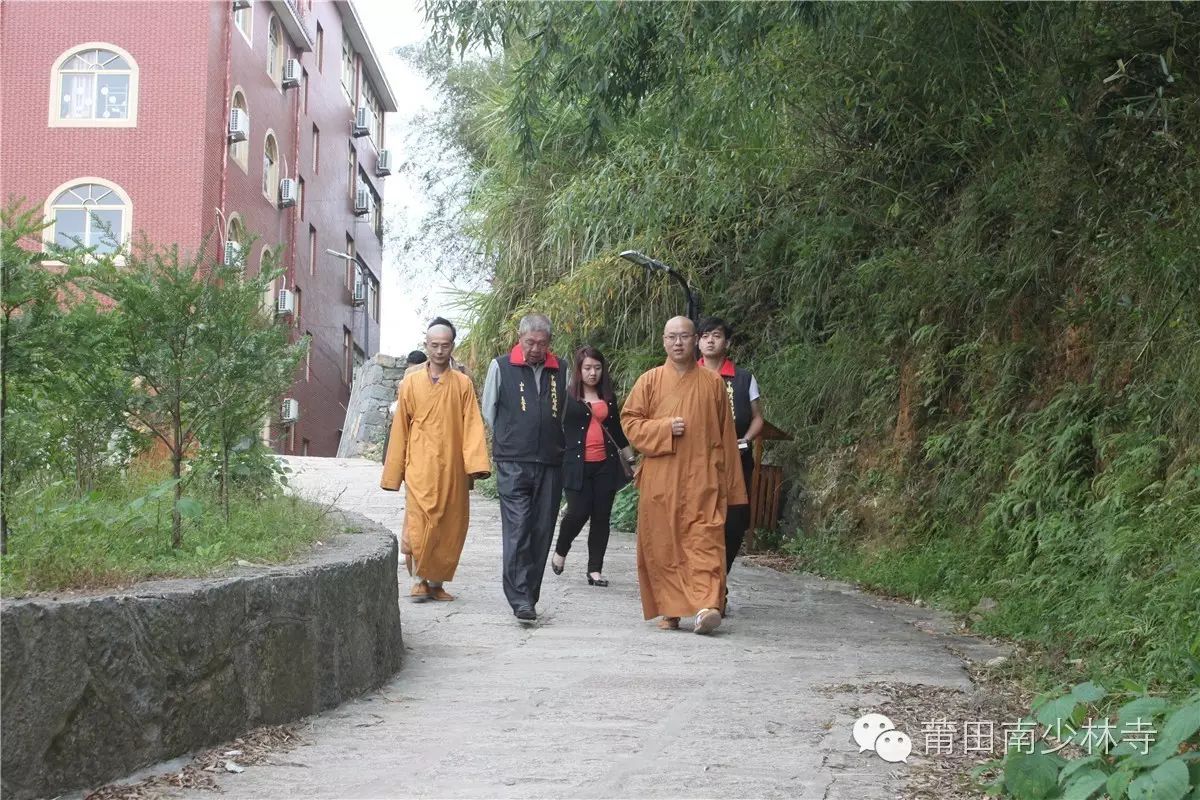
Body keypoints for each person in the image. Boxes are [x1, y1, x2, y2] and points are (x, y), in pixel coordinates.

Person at [621, 316, 748, 635]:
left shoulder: (713, 383)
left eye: (684, 336)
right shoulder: (649, 381)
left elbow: (727, 436)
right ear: (663, 341)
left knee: (706, 541)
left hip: (703, 479)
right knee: (663, 545)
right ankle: (671, 610)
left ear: (695, 341)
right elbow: (630, 422)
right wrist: (663, 428)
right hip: (661, 481)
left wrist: (733, 488)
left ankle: (708, 606)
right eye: (672, 337)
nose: (678, 343)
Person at [380, 318, 491, 602]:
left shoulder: (463, 384)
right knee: (418, 522)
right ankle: (418, 579)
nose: (439, 351)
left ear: (452, 346)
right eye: (434, 345)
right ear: (425, 345)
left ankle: (437, 583)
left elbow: (472, 426)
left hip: (452, 466)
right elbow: (400, 428)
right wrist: (395, 470)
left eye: (445, 345)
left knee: (449, 525)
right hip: (418, 464)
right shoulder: (411, 383)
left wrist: (475, 464)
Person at [481, 313, 566, 623]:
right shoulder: (501, 366)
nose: (535, 349)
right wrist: (512, 438)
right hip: (513, 462)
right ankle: (519, 598)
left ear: (549, 344)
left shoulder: (562, 369)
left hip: (551, 463)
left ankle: (530, 595)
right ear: (520, 339)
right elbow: (488, 410)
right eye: (530, 342)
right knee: (518, 528)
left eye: (541, 344)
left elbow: (565, 412)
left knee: (542, 530)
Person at [551, 346, 636, 587]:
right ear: (579, 370)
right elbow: (555, 429)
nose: (592, 373)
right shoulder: (566, 396)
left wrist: (632, 461)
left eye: (597, 368)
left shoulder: (608, 397)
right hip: (575, 464)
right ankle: (561, 549)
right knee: (577, 512)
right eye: (587, 368)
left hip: (605, 465)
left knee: (601, 517)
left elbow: (617, 431)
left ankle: (595, 570)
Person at [697, 317, 764, 597]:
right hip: (697, 463)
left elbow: (759, 418)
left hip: (736, 461)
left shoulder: (743, 378)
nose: (710, 340)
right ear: (697, 341)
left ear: (727, 342)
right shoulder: (687, 374)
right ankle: (704, 587)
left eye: (716, 335)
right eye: (704, 335)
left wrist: (745, 440)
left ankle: (718, 580)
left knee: (735, 522)